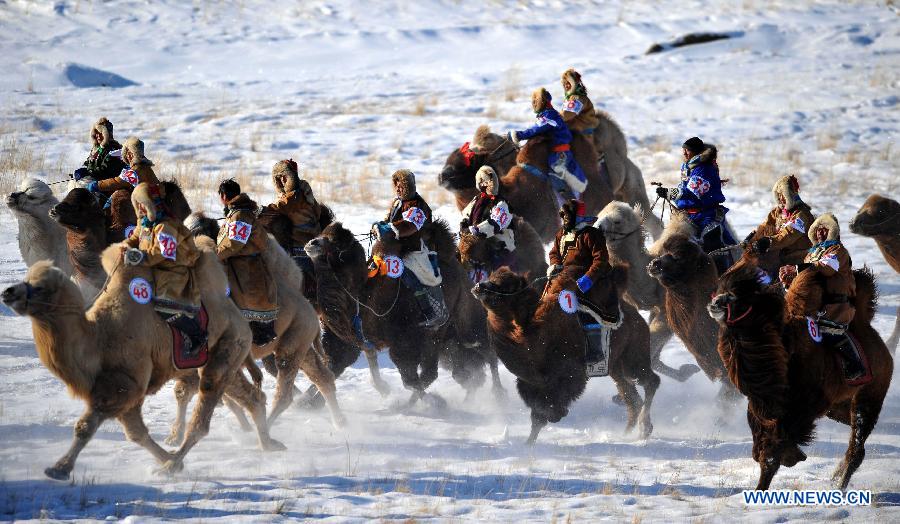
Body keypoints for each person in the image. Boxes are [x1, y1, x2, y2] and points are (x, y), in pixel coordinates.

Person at [123, 182, 205, 357]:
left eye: (140, 204)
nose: (138, 208)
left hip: (172, 273)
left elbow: (164, 252)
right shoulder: (146, 224)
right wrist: (124, 247)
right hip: (151, 270)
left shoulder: (165, 226)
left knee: (165, 308)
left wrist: (140, 258)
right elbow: (136, 236)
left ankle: (196, 335)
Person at [779, 213, 864, 380]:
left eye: (825, 229)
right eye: (817, 230)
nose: (820, 233)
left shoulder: (838, 251)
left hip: (835, 308)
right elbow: (804, 279)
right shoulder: (810, 255)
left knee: (830, 333)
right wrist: (789, 281)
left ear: (833, 231)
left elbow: (826, 267)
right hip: (811, 308)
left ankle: (854, 365)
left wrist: (796, 269)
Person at [547, 199, 616, 374]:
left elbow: (600, 260)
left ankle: (596, 351)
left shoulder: (591, 234)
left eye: (567, 215)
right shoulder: (561, 234)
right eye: (562, 215)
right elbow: (554, 253)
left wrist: (587, 279)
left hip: (591, 281)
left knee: (585, 308)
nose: (564, 218)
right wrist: (555, 265)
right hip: (565, 279)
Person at [374, 169, 449, 329]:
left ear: (408, 186)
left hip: (414, 249)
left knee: (405, 273)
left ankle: (430, 312)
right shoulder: (397, 203)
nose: (398, 189)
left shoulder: (418, 206)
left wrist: (388, 229)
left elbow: (410, 226)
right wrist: (380, 226)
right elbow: (389, 220)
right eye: (396, 186)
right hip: (396, 247)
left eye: (401, 186)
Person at [656, 136, 736, 272]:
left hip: (706, 214)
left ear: (696, 152)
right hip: (687, 214)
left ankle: (722, 274)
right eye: (684, 150)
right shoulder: (687, 167)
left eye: (687, 150)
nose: (684, 153)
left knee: (712, 243)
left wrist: (669, 193)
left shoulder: (705, 169)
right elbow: (684, 188)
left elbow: (692, 192)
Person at [216, 179, 279, 346]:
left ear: (223, 196)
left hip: (246, 269)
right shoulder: (237, 213)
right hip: (239, 266)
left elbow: (235, 243)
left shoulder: (240, 215)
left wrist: (212, 256)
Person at [509, 87, 587, 199]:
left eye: (536, 101)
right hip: (555, 152)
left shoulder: (549, 115)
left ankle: (570, 201)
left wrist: (518, 135)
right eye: (533, 101)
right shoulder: (546, 115)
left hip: (560, 153)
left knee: (555, 173)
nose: (534, 104)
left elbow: (536, 129)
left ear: (542, 102)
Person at [742, 175, 815, 277]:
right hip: (778, 258)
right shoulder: (778, 212)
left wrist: (768, 242)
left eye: (784, 195)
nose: (781, 199)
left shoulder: (801, 215)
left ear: (791, 195)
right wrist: (751, 239)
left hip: (797, 260)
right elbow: (764, 227)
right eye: (779, 195)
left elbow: (788, 236)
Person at [260, 159, 322, 274]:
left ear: (291, 177)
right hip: (308, 246)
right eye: (278, 178)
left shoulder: (296, 195)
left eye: (284, 177)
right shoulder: (304, 191)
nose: (281, 180)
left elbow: (279, 207)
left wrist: (260, 211)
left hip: (301, 248)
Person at [460, 165, 516, 270]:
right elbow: (465, 215)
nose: (489, 185)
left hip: (499, 248)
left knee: (494, 270)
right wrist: (463, 227)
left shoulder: (502, 204)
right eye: (485, 182)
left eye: (491, 181)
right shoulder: (477, 200)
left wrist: (473, 231)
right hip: (475, 243)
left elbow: (494, 224)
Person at [87, 136, 160, 197]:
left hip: (147, 203)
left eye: (125, 153)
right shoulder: (145, 167)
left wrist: (97, 185)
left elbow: (117, 182)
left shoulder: (135, 171)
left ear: (130, 155)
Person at [73, 117, 125, 183]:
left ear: (107, 134)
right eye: (96, 133)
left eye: (101, 133)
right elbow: (88, 163)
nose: (98, 136)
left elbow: (105, 171)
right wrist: (82, 169)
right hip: (96, 180)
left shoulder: (115, 150)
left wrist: (88, 172)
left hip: (108, 185)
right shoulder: (97, 149)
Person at [559, 68, 600, 134]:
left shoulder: (577, 98)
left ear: (574, 83)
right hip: (575, 125)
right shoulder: (570, 97)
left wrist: (553, 118)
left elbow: (567, 114)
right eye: (565, 83)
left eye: (569, 83)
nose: (566, 85)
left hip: (583, 126)